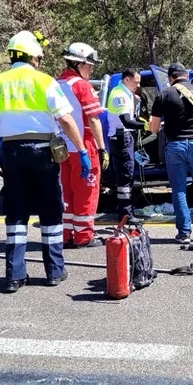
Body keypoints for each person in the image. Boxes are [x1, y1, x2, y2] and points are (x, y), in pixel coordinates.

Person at [0, 30, 90, 293]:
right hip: (43, 151)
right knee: (50, 209)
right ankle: (54, 272)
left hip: (11, 151)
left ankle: (15, 276)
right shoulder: (45, 81)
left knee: (16, 211)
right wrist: (82, 151)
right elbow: (66, 119)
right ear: (33, 57)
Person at [149, 62, 193, 244]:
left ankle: (184, 233)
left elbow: (154, 128)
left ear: (170, 78)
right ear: (186, 76)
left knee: (179, 190)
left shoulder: (163, 94)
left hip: (175, 146)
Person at [57, 42, 110, 248]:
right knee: (87, 191)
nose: (92, 69)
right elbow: (94, 119)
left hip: (61, 148)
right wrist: (102, 147)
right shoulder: (81, 86)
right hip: (83, 146)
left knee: (67, 193)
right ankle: (84, 236)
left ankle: (67, 234)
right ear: (79, 64)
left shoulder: (55, 83)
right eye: (90, 65)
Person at [106, 68, 148, 222]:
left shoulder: (126, 93)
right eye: (136, 82)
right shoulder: (120, 95)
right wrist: (145, 126)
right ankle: (126, 215)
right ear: (127, 79)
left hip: (123, 137)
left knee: (126, 176)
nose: (138, 85)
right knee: (126, 176)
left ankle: (126, 212)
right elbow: (126, 121)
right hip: (121, 137)